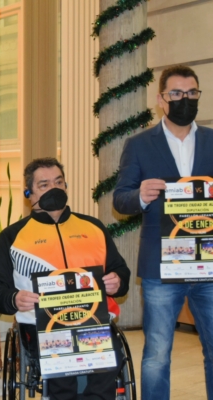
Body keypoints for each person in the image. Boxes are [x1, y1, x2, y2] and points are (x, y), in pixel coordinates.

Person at [0, 157, 130, 400]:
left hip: (94, 322)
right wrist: (13, 298)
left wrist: (117, 280)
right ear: (29, 194)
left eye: (58, 182)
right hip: (43, 326)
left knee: (108, 363)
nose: (54, 189)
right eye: (44, 184)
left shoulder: (93, 227)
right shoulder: (13, 236)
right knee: (61, 369)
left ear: (66, 186)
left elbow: (120, 270)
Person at [113, 65, 213, 400]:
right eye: (176, 93)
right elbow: (121, 199)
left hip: (209, 264)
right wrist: (141, 195)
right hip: (161, 269)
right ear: (161, 99)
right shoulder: (139, 145)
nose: (184, 99)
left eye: (191, 93)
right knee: (157, 354)